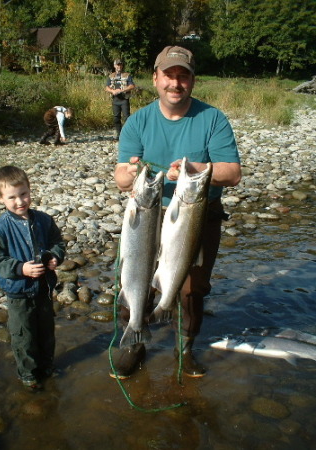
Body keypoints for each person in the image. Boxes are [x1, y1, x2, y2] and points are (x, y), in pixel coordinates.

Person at [112, 46, 241, 379]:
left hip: (197, 215)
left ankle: (185, 349)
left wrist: (200, 168)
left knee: (192, 288)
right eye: (169, 75)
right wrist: (130, 173)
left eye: (183, 76)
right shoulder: (138, 121)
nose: (175, 83)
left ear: (192, 80)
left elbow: (233, 173)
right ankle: (133, 341)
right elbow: (121, 177)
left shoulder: (213, 119)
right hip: (150, 212)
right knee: (135, 278)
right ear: (155, 79)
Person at [0, 166, 65, 390]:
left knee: (46, 331)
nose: (20, 201)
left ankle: (48, 367)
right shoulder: (0, 228)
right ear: (0, 199)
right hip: (19, 293)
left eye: (23, 194)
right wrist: (21, 269)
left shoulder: (43, 220)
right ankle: (29, 376)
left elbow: (57, 242)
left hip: (43, 289)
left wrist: (55, 258)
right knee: (23, 337)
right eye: (12, 197)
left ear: (30, 191)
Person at [105, 59, 135, 140]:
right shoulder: (111, 76)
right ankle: (119, 134)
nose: (119, 66)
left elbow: (132, 86)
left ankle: (128, 134)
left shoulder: (127, 75)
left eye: (120, 65)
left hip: (124, 99)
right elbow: (106, 87)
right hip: (115, 99)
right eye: (117, 65)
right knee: (116, 118)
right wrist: (112, 91)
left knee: (126, 118)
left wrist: (122, 90)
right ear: (114, 66)